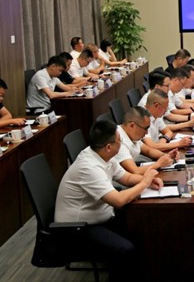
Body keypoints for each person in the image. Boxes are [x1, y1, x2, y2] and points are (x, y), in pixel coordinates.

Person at [54, 120, 161, 278]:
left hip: (101, 216)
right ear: (109, 146)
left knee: (144, 228)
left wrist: (147, 180)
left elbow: (127, 178)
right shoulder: (89, 167)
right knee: (125, 249)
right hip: (77, 229)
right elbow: (118, 200)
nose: (121, 144)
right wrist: (144, 183)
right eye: (119, 141)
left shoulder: (104, 154)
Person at [114, 106, 177, 175]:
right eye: (145, 128)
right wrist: (159, 164)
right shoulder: (118, 140)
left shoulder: (131, 134)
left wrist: (166, 156)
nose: (146, 133)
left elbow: (148, 151)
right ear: (132, 125)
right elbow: (135, 171)